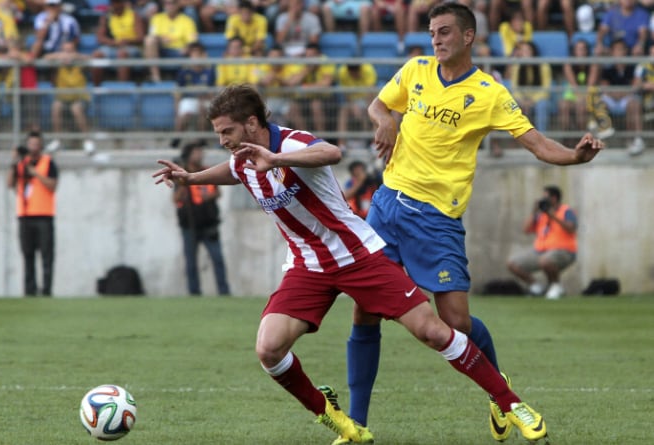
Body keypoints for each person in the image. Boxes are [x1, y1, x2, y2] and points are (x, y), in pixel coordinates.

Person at [153, 83, 550, 445]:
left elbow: (332, 152)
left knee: (432, 331)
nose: (221, 140)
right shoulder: (242, 159)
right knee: (269, 349)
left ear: (252, 123)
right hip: (307, 265)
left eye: (227, 132)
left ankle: (513, 405)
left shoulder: (291, 144)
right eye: (219, 133)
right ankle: (339, 422)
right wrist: (191, 178)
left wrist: (275, 159)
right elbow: (235, 172)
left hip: (356, 255)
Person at [344, 3, 602, 443]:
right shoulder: (415, 70)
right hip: (387, 208)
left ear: (468, 37)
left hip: (436, 219)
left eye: (444, 32)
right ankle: (355, 426)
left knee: (456, 325)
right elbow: (377, 104)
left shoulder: (489, 93)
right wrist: (384, 119)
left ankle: (498, 396)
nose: (436, 40)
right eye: (431, 32)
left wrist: (575, 156)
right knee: (365, 310)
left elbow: (536, 143)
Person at [174, 141, 231, 296]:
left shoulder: (208, 171)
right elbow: (175, 199)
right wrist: (184, 184)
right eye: (196, 152)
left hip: (209, 223)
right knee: (191, 262)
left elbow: (217, 192)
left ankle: (224, 292)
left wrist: (207, 196)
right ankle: (194, 293)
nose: (200, 155)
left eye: (201, 152)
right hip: (189, 225)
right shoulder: (181, 175)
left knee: (217, 259)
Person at [6, 131, 59, 297]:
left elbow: (52, 185)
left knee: (46, 256)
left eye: (37, 144)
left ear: (41, 145)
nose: (33, 147)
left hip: (44, 215)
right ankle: (29, 291)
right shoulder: (20, 164)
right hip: (25, 215)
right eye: (31, 144)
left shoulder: (48, 163)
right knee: (27, 255)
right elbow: (10, 184)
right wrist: (13, 162)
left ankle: (47, 291)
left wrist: (35, 173)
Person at [507, 185, 578, 300]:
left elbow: (571, 228)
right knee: (513, 263)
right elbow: (526, 229)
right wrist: (533, 212)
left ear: (554, 198)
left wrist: (553, 215)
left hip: (564, 251)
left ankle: (555, 286)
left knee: (545, 260)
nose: (543, 200)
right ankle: (536, 286)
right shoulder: (541, 214)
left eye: (546, 197)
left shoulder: (566, 211)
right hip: (540, 251)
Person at [43, 40, 95, 154]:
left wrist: (74, 56)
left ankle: (87, 141)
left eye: (70, 50)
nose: (67, 54)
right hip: (63, 96)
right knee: (56, 107)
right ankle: (57, 140)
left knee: (76, 109)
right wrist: (60, 56)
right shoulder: (59, 62)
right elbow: (46, 57)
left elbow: (89, 58)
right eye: (65, 50)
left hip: (79, 96)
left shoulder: (79, 62)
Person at [597, 38, 644, 155]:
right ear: (612, 52)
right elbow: (605, 87)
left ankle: (636, 140)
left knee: (634, 105)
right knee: (599, 104)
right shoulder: (607, 68)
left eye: (622, 50)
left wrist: (620, 93)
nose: (620, 52)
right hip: (611, 98)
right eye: (617, 50)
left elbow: (635, 85)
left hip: (626, 98)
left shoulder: (632, 67)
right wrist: (618, 93)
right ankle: (601, 140)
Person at [171, 42, 215, 148]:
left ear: (203, 56)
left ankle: (201, 139)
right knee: (185, 112)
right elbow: (177, 92)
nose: (196, 57)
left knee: (202, 108)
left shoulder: (209, 71)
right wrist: (177, 109)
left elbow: (212, 91)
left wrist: (206, 98)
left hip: (205, 99)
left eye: (198, 54)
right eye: (193, 55)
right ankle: (177, 138)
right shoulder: (184, 72)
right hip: (189, 99)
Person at [91, 0, 145, 86]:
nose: (116, 6)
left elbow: (141, 37)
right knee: (97, 55)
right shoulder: (106, 17)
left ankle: (121, 89)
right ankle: (96, 89)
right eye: (114, 3)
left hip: (131, 46)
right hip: (113, 46)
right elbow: (100, 38)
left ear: (123, 3)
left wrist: (127, 41)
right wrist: (113, 42)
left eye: (118, 3)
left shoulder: (134, 15)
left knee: (122, 54)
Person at [144, 0, 198, 83]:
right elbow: (152, 36)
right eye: (166, 3)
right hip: (161, 50)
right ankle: (156, 78)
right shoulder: (156, 18)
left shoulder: (187, 21)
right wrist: (160, 39)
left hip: (178, 51)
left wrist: (186, 48)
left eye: (172, 3)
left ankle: (193, 83)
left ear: (178, 5)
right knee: (149, 40)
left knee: (195, 51)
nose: (169, 6)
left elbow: (193, 41)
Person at [507, 41, 552, 132]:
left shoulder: (543, 66)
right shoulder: (516, 66)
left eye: (527, 50)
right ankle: (519, 136)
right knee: (513, 105)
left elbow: (546, 89)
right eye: (522, 50)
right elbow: (514, 88)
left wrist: (532, 100)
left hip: (538, 99)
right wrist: (522, 100)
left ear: (533, 51)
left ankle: (541, 135)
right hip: (522, 98)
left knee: (542, 105)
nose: (525, 53)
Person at [336, 62, 377, 151]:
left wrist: (367, 108)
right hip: (352, 101)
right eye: (351, 74)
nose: (353, 76)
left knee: (374, 113)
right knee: (344, 111)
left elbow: (371, 93)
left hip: (369, 100)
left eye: (355, 73)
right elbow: (346, 94)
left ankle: (374, 143)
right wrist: (352, 105)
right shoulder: (342, 72)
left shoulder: (368, 70)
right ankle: (341, 144)